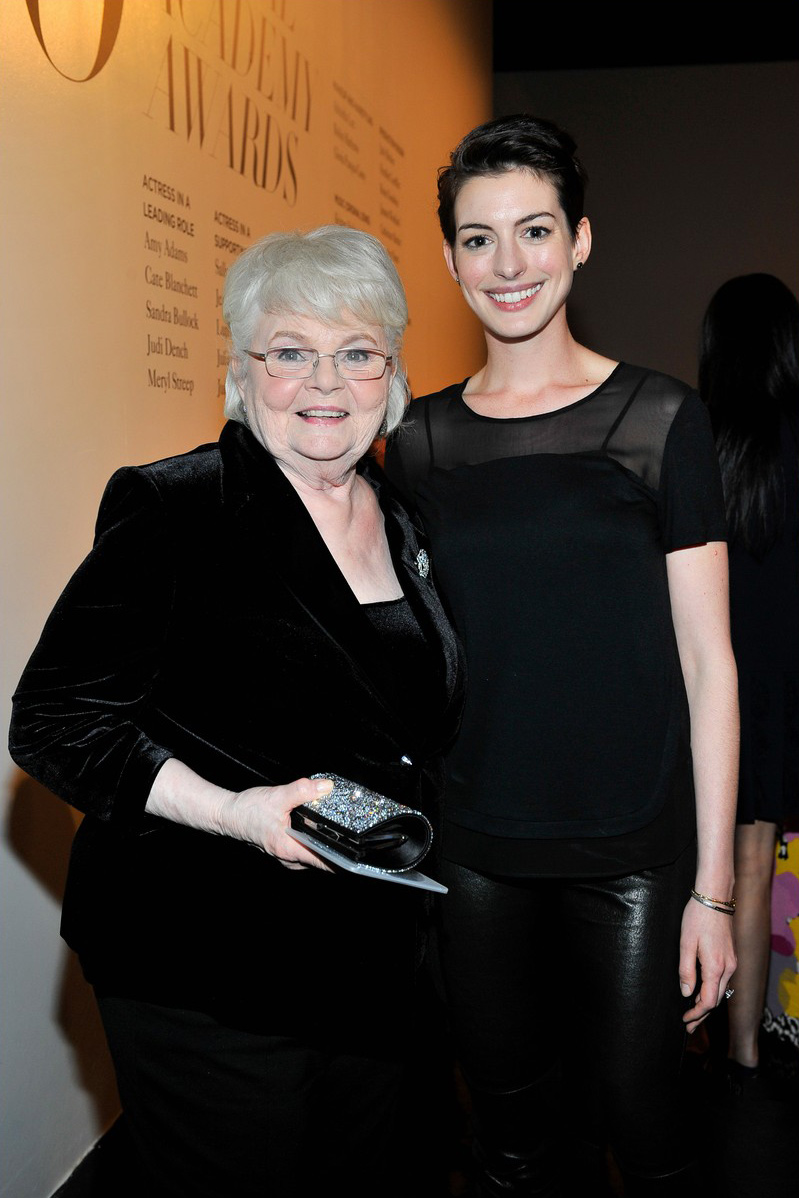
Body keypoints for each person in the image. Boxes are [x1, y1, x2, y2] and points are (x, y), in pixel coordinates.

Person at [9, 226, 463, 1198]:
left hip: (366, 963)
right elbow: (53, 721)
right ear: (243, 371)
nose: (324, 383)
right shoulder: (178, 510)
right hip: (203, 960)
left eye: (356, 353)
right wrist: (239, 813)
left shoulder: (401, 518)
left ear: (392, 374)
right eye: (290, 351)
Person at [384, 115, 739, 1196]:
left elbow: (709, 665)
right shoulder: (420, 441)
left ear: (579, 240)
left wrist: (712, 893)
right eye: (479, 239)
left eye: (533, 231)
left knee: (648, 1123)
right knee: (509, 1138)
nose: (508, 264)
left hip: (633, 848)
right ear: (447, 257)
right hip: (476, 848)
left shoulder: (659, 418)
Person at [699, 273, 799, 1088]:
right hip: (782, 686)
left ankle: (685, 1028)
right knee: (755, 865)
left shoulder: (691, 438)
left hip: (705, 685)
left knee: (696, 873)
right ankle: (743, 1050)